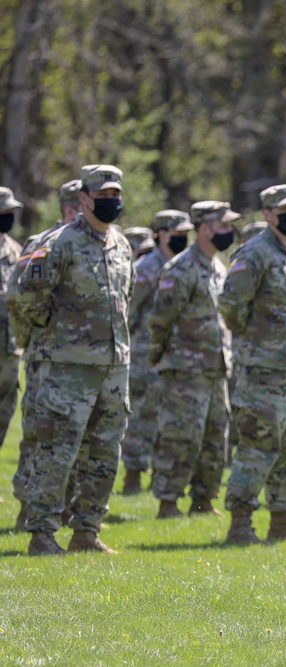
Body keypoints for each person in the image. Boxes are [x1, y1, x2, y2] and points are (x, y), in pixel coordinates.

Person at [13, 165, 134, 555]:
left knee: (104, 452)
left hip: (114, 368)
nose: (111, 200)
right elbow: (23, 296)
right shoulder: (59, 243)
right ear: (83, 199)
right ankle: (43, 534)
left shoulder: (121, 244)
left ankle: (87, 531)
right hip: (66, 369)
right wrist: (48, 333)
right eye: (103, 194)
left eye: (116, 193)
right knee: (57, 451)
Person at [219, 184, 286, 544]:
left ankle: (283, 520)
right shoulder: (254, 253)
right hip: (264, 369)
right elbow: (231, 306)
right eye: (283, 209)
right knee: (257, 445)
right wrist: (259, 342)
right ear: (267, 213)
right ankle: (241, 523)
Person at [147, 201, 239, 519]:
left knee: (216, 437)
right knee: (181, 435)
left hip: (216, 367)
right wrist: (158, 356)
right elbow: (161, 320)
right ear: (204, 229)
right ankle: (168, 501)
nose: (229, 232)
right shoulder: (180, 269)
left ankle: (203, 499)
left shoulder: (218, 266)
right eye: (223, 226)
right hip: (185, 368)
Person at [8, 177, 82, 531]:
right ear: (72, 207)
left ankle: (68, 508)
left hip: (80, 360)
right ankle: (28, 505)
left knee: (77, 437)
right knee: (39, 433)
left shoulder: (95, 244)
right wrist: (36, 337)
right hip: (44, 357)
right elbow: (18, 298)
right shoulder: (42, 244)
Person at [122, 209, 195, 494]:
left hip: (176, 354)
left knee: (170, 419)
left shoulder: (182, 265)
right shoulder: (147, 267)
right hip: (144, 355)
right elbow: (129, 310)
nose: (181, 239)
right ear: (160, 234)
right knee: (143, 416)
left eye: (184, 234)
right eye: (176, 234)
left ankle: (161, 475)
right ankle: (133, 474)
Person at [0, 187, 25, 454]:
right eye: (4, 211)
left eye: (10, 212)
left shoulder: (16, 252)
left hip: (10, 350)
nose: (8, 216)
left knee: (4, 413)